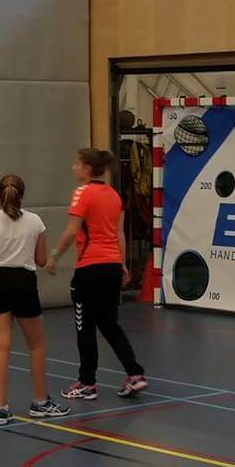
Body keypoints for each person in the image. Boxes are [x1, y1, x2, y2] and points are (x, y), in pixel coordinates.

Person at [47, 148, 147, 401]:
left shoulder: (82, 193)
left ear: (87, 169)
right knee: (109, 324)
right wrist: (122, 264)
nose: (73, 168)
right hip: (111, 267)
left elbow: (72, 230)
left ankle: (87, 382)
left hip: (89, 269)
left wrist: (54, 255)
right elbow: (119, 233)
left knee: (85, 328)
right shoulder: (113, 195)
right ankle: (135, 374)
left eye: (76, 164)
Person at [0, 175, 69, 425]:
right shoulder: (35, 221)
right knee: (36, 345)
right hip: (24, 283)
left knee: (0, 347)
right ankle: (40, 402)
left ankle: (1, 408)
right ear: (22, 195)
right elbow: (40, 260)